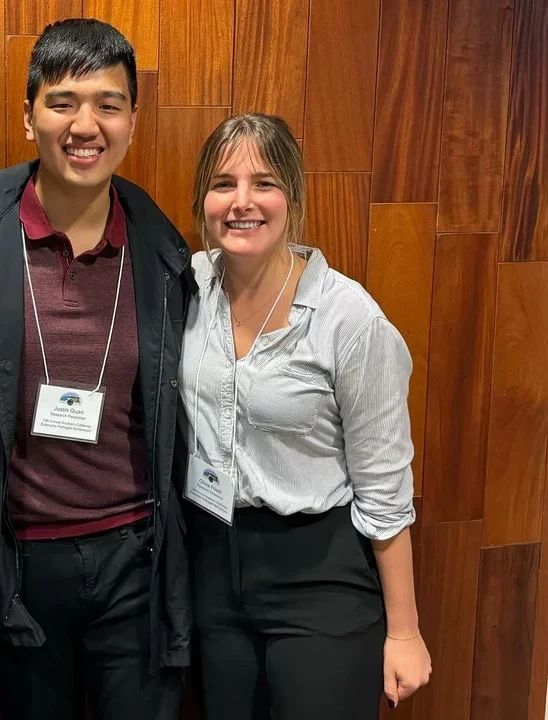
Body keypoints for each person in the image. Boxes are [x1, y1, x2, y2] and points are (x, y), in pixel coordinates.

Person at [0, 18, 194, 720]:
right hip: (17, 563)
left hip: (137, 559)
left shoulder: (165, 252)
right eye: (63, 101)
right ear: (28, 115)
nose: (86, 124)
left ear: (133, 119)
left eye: (109, 103)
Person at [178, 113, 432, 719]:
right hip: (212, 564)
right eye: (222, 184)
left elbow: (385, 486)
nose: (242, 202)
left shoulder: (349, 320)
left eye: (263, 182)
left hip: (319, 574)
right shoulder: (186, 285)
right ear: (202, 200)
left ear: (292, 197)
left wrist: (405, 631)